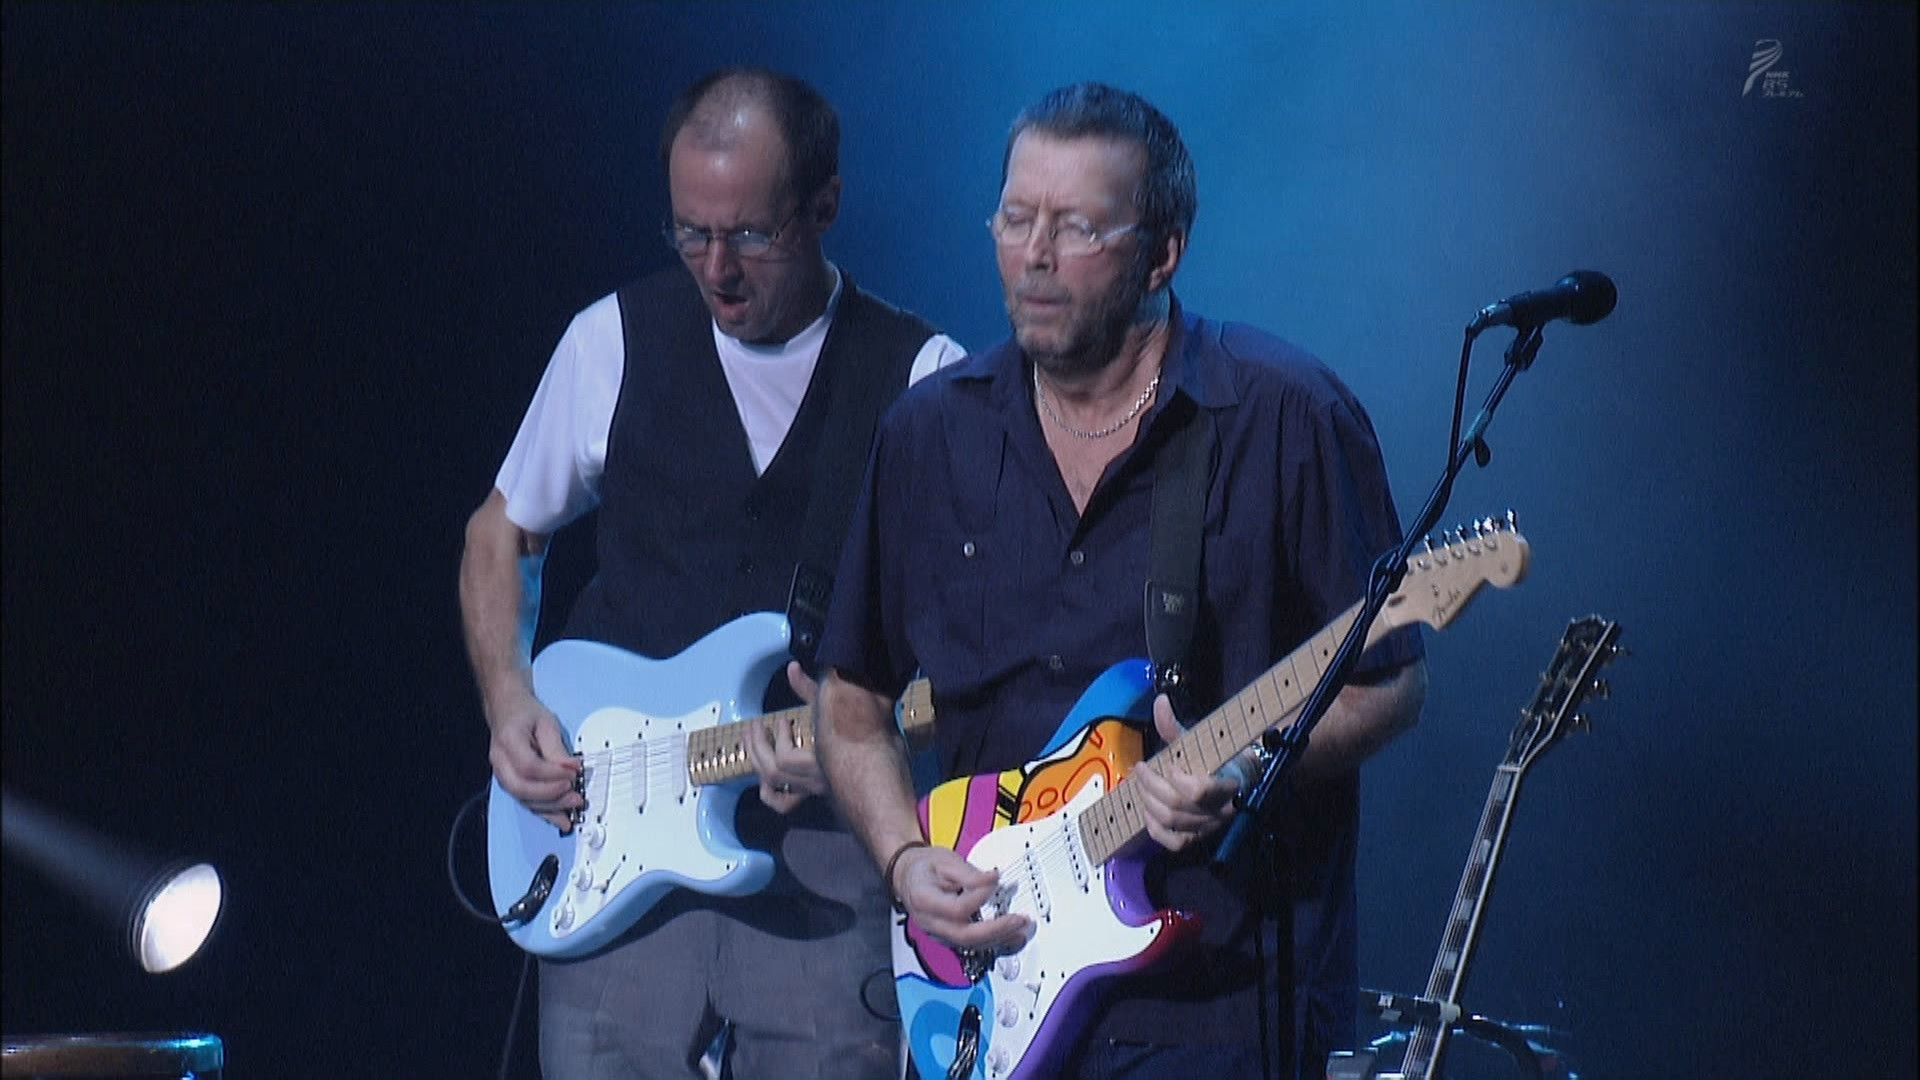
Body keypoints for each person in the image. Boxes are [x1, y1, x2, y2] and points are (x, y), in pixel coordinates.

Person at [813, 83, 1427, 1080]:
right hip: (988, 991)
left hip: (1219, 1005)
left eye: (1077, 227)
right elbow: (850, 703)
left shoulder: (1285, 417)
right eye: (1016, 218)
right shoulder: (930, 433)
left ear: (1163, 253)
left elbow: (1390, 681)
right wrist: (902, 857)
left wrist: (1248, 766)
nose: (1035, 255)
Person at [459, 67, 963, 1080]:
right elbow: (499, 535)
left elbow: (978, 640)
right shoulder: (611, 340)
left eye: (751, 235)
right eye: (691, 233)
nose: (717, 269)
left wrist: (863, 743)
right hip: (609, 835)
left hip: (825, 855)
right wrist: (510, 699)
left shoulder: (924, 379)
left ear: (824, 206)